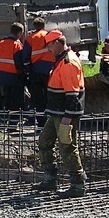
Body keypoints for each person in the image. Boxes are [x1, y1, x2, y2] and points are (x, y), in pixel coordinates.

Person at [32, 30, 87, 198]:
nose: (48, 49)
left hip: (65, 114)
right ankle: (50, 179)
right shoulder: (61, 61)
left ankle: (78, 184)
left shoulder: (68, 62)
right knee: (44, 141)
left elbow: (73, 94)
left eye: (49, 45)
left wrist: (67, 118)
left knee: (67, 146)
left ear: (57, 43)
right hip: (57, 113)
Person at [20, 17, 55, 118]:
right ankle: (50, 118)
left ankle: (40, 121)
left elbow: (25, 57)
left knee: (38, 97)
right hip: (49, 70)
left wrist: (27, 71)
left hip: (35, 71)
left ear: (34, 26)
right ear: (44, 26)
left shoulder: (30, 38)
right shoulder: (49, 36)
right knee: (49, 95)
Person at [0, 22, 26, 111]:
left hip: (2, 76)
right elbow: (19, 63)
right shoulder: (17, 45)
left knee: (6, 99)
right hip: (14, 76)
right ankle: (14, 120)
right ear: (20, 33)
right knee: (16, 100)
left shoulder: (1, 43)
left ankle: (3, 119)